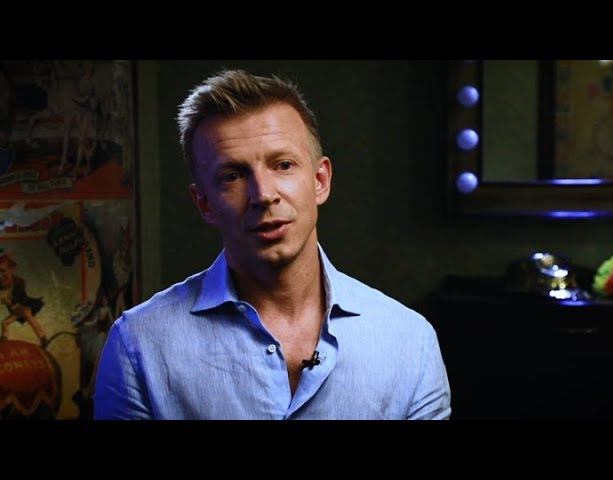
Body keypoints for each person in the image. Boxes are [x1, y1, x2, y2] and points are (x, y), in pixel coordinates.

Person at [94, 69, 451, 420]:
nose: (263, 195)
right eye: (232, 175)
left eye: (283, 165)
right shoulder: (139, 346)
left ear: (320, 180)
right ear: (204, 203)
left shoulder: (409, 341)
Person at [0, 250, 47, 347]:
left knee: (31, 321)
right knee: (4, 323)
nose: (2, 274)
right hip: (16, 311)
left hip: (24, 308)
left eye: (3, 271)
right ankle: (4, 342)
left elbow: (19, 299)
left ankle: (43, 339)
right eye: (0, 271)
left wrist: (8, 301)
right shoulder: (2, 284)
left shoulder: (19, 282)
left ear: (11, 270)